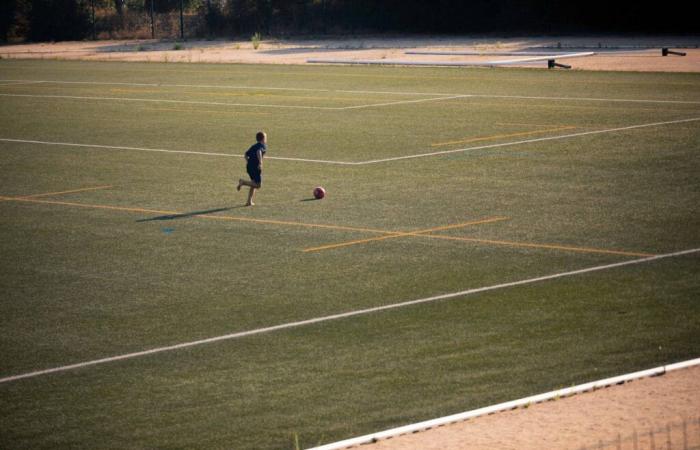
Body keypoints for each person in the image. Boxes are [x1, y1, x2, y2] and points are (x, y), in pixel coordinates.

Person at [237, 131, 267, 206]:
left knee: (253, 183)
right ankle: (243, 182)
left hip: (249, 167)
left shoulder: (254, 146)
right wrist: (260, 162)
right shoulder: (262, 146)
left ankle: (249, 201)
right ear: (263, 139)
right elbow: (258, 152)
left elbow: (245, 155)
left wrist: (249, 162)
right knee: (258, 185)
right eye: (265, 137)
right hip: (255, 167)